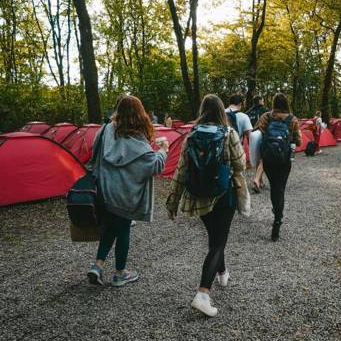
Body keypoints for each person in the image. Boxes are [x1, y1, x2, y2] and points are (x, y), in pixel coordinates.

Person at [166, 94, 246, 317]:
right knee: (218, 242)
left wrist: (173, 202)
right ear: (221, 111)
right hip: (223, 195)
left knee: (215, 237)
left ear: (202, 110)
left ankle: (222, 271)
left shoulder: (190, 136)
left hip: (198, 195)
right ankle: (202, 293)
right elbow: (241, 164)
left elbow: (181, 170)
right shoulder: (228, 133)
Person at [86, 96, 168, 287]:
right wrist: (164, 150)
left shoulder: (105, 129)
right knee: (122, 229)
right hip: (125, 194)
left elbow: (94, 154)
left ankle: (97, 266)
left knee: (110, 227)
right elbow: (154, 165)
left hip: (104, 190)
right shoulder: (136, 139)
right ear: (140, 113)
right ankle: (120, 273)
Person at [256, 93, 301, 241]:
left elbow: (257, 134)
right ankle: (278, 218)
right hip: (285, 160)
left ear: (274, 103)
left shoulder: (266, 117)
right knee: (280, 188)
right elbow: (298, 142)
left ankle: (276, 211)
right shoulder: (293, 119)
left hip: (268, 159)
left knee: (274, 186)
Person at [247, 96, 269, 192]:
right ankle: (257, 180)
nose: (263, 101)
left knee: (256, 158)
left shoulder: (248, 112)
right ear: (260, 101)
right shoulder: (265, 110)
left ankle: (261, 180)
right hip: (261, 135)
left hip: (251, 136)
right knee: (263, 158)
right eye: (263, 100)